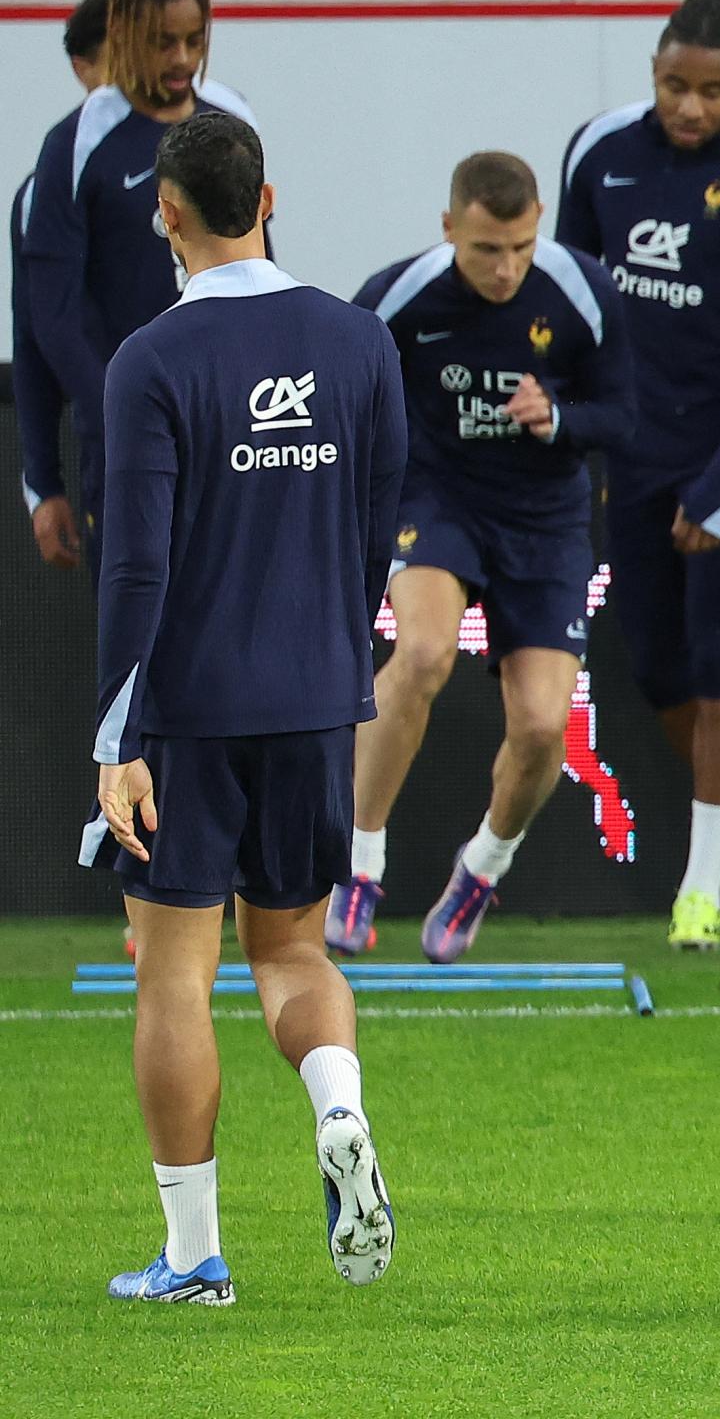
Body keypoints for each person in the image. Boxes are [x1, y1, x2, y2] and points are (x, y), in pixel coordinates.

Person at [85, 109, 406, 1303]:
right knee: (295, 947)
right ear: (269, 195)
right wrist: (329, 643)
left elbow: (136, 565)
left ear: (167, 213)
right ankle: (339, 1106)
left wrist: (117, 738)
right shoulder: (361, 339)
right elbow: (379, 525)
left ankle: (192, 1257)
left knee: (172, 977)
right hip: (318, 697)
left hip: (188, 707)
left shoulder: (152, 359)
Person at [561, 0, 720, 948]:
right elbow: (576, 312)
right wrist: (587, 443)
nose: (691, 108)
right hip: (633, 454)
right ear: (654, 73)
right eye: (675, 85)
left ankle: (700, 894)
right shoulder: (599, 154)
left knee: (719, 661)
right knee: (657, 666)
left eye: (713, 91)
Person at [334, 155, 636, 962]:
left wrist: (562, 417)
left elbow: (625, 415)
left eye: (520, 248)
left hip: (543, 519)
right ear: (448, 229)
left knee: (542, 726)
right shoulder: (395, 295)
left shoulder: (582, 290)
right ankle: (357, 867)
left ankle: (482, 869)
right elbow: (342, 397)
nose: (504, 270)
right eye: (483, 251)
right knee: (424, 652)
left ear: (540, 219)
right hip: (436, 498)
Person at [21, 0, 256, 577]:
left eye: (195, 40)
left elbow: (257, 267)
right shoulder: (75, 142)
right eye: (163, 42)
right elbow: (49, 312)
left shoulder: (231, 119)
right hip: (131, 430)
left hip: (231, 421)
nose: (182, 59)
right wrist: (116, 409)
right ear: (122, 33)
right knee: (143, 631)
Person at [17, 0, 106, 570]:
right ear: (83, 69)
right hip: (120, 446)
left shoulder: (213, 155)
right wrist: (42, 483)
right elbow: (34, 338)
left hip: (227, 435)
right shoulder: (53, 178)